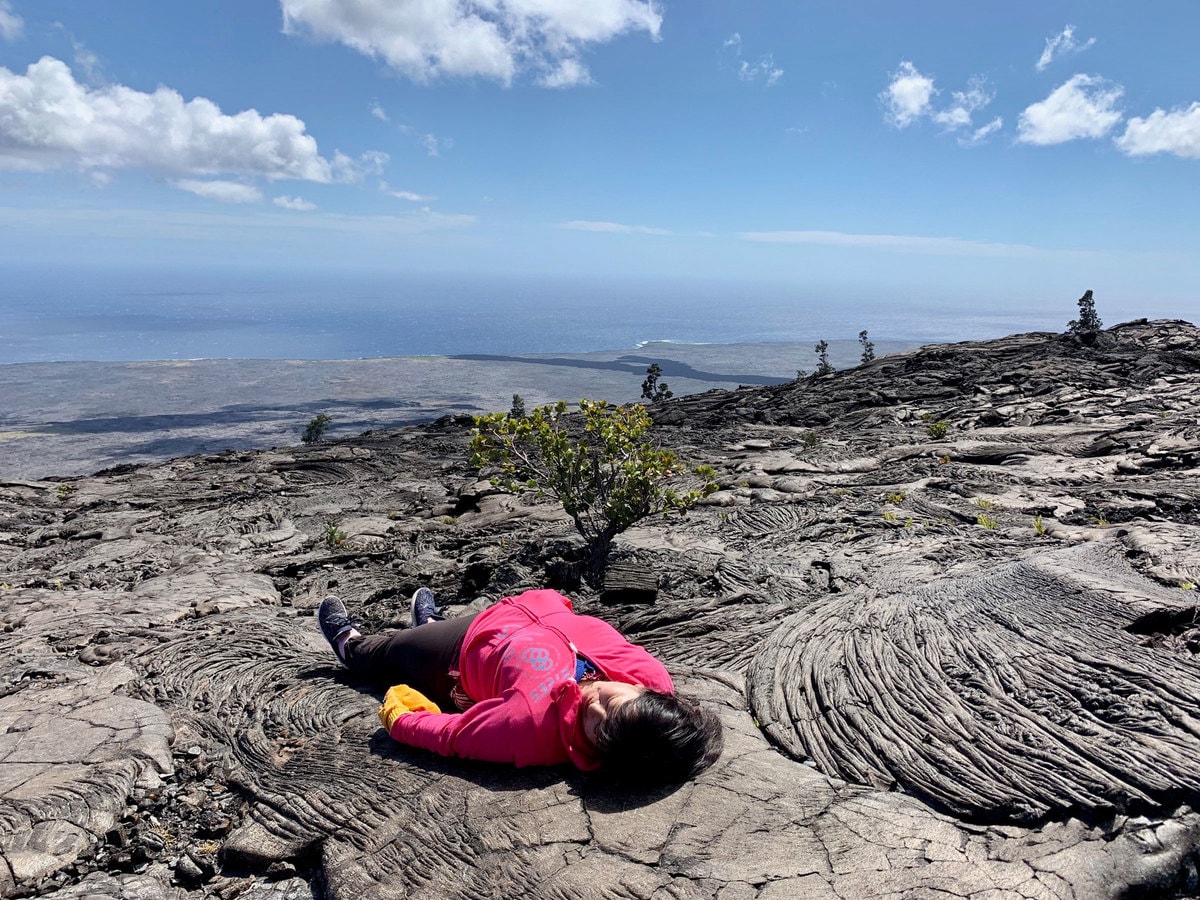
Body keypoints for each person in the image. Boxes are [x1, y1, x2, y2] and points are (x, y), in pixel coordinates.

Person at [318, 587, 723, 785]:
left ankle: (349, 644)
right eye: (615, 707)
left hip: (459, 657)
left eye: (599, 732)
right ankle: (429, 624)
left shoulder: (529, 729)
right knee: (427, 634)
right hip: (512, 614)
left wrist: (401, 718)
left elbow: (454, 737)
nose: (594, 708)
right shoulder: (651, 678)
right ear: (645, 694)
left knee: (385, 654)